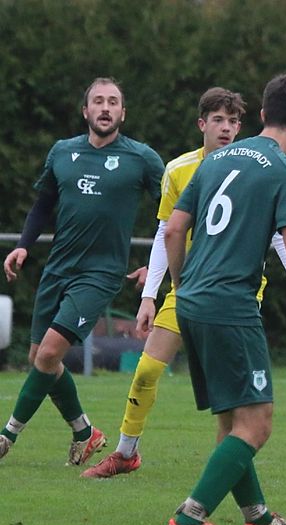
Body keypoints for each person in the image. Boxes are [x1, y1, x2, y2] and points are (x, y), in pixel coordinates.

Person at [82, 87, 286, 479]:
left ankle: (232, 504)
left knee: (229, 407)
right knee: (146, 371)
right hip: (188, 288)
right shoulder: (179, 169)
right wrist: (152, 294)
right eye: (219, 120)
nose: (226, 129)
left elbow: (282, 236)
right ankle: (126, 453)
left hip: (233, 293)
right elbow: (166, 231)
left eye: (233, 122)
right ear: (202, 124)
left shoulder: (251, 166)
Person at [164, 74, 286, 525]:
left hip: (192, 300)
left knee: (231, 421)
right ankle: (187, 520)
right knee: (257, 424)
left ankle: (259, 519)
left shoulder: (215, 158)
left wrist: (184, 282)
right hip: (230, 305)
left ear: (263, 113)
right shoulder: (285, 169)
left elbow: (172, 229)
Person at [0, 77, 164, 465]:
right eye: (98, 101)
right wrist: (23, 244)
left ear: (123, 112)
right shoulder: (62, 152)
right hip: (58, 268)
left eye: (113, 102)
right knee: (41, 357)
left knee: (50, 353)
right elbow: (43, 205)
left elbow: (173, 215)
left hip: (101, 273)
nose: (105, 108)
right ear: (85, 111)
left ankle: (7, 435)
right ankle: (84, 432)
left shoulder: (142, 158)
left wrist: (156, 266)